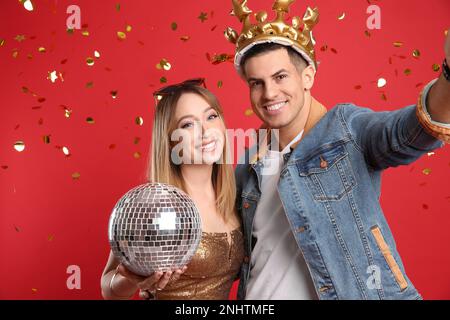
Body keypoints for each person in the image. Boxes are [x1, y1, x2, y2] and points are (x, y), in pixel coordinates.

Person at [225, 0, 450, 299]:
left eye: (280, 77)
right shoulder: (248, 164)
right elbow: (226, 252)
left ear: (308, 76)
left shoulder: (346, 129)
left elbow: (410, 132)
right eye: (257, 83)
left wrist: (448, 74)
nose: (269, 93)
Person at [101, 79, 243, 300]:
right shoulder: (152, 205)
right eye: (188, 124)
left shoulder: (238, 196)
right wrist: (132, 279)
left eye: (211, 116)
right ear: (170, 141)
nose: (206, 131)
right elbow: (108, 288)